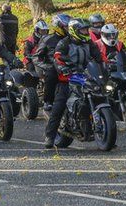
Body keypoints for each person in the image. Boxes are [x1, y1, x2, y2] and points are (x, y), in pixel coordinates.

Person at [45, 18, 105, 148]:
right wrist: (64, 68)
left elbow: (99, 57)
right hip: (67, 78)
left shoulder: (89, 43)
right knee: (59, 106)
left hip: (85, 76)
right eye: (82, 30)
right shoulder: (64, 43)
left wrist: (106, 65)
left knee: (101, 95)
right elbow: (58, 58)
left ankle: (100, 128)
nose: (85, 32)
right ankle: (50, 136)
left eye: (86, 29)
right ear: (74, 31)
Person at [33, 13, 71, 112]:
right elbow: (36, 57)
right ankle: (48, 101)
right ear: (58, 26)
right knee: (51, 74)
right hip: (52, 66)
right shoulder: (47, 39)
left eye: (69, 26)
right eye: (66, 26)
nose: (68, 29)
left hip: (70, 65)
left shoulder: (73, 39)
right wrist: (47, 66)